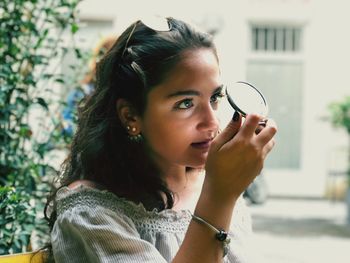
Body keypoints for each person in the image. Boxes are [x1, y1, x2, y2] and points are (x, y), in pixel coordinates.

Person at [45, 16, 277, 263]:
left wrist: (222, 192)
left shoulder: (212, 186)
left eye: (215, 98)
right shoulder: (90, 215)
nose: (212, 122)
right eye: (185, 103)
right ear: (131, 116)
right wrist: (220, 196)